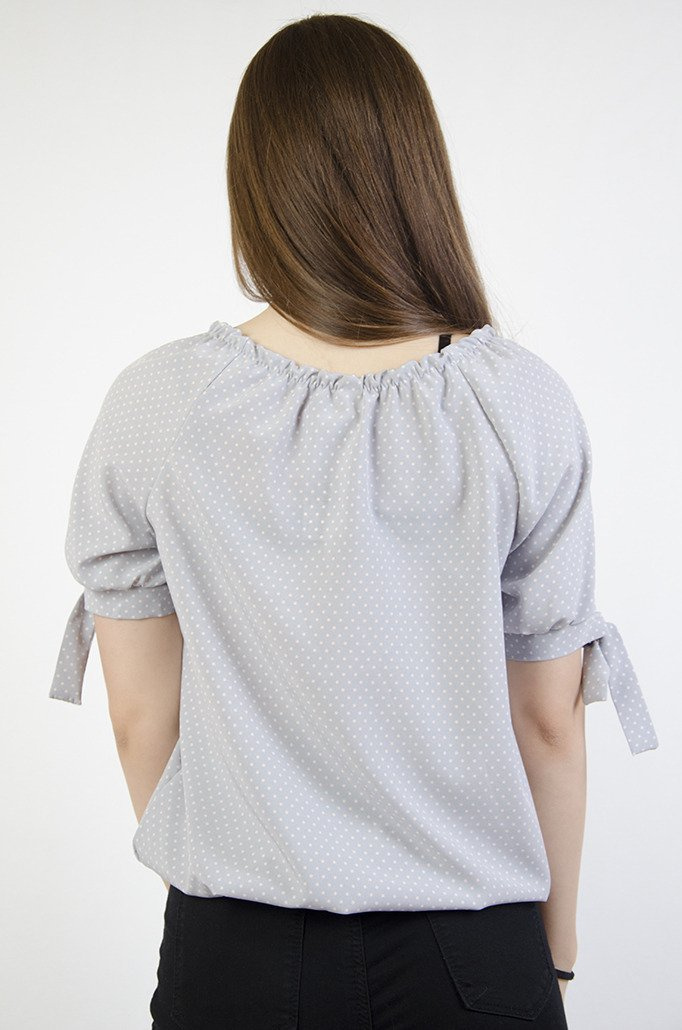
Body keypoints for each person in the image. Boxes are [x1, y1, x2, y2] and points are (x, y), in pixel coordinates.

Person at [49, 13, 659, 1029]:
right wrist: (554, 957)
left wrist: (228, 885)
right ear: (416, 170)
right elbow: (547, 721)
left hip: (233, 952)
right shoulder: (518, 403)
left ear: (254, 181)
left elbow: (140, 718)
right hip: (475, 955)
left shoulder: (159, 406)